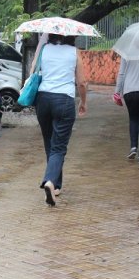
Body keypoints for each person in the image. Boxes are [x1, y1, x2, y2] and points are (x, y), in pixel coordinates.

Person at [31, 33, 87, 207]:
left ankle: (56, 186)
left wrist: (40, 50)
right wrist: (83, 102)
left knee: (50, 143)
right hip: (64, 100)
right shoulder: (74, 52)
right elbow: (82, 82)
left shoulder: (45, 49)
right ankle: (49, 181)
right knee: (59, 146)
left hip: (43, 99)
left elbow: (33, 70)